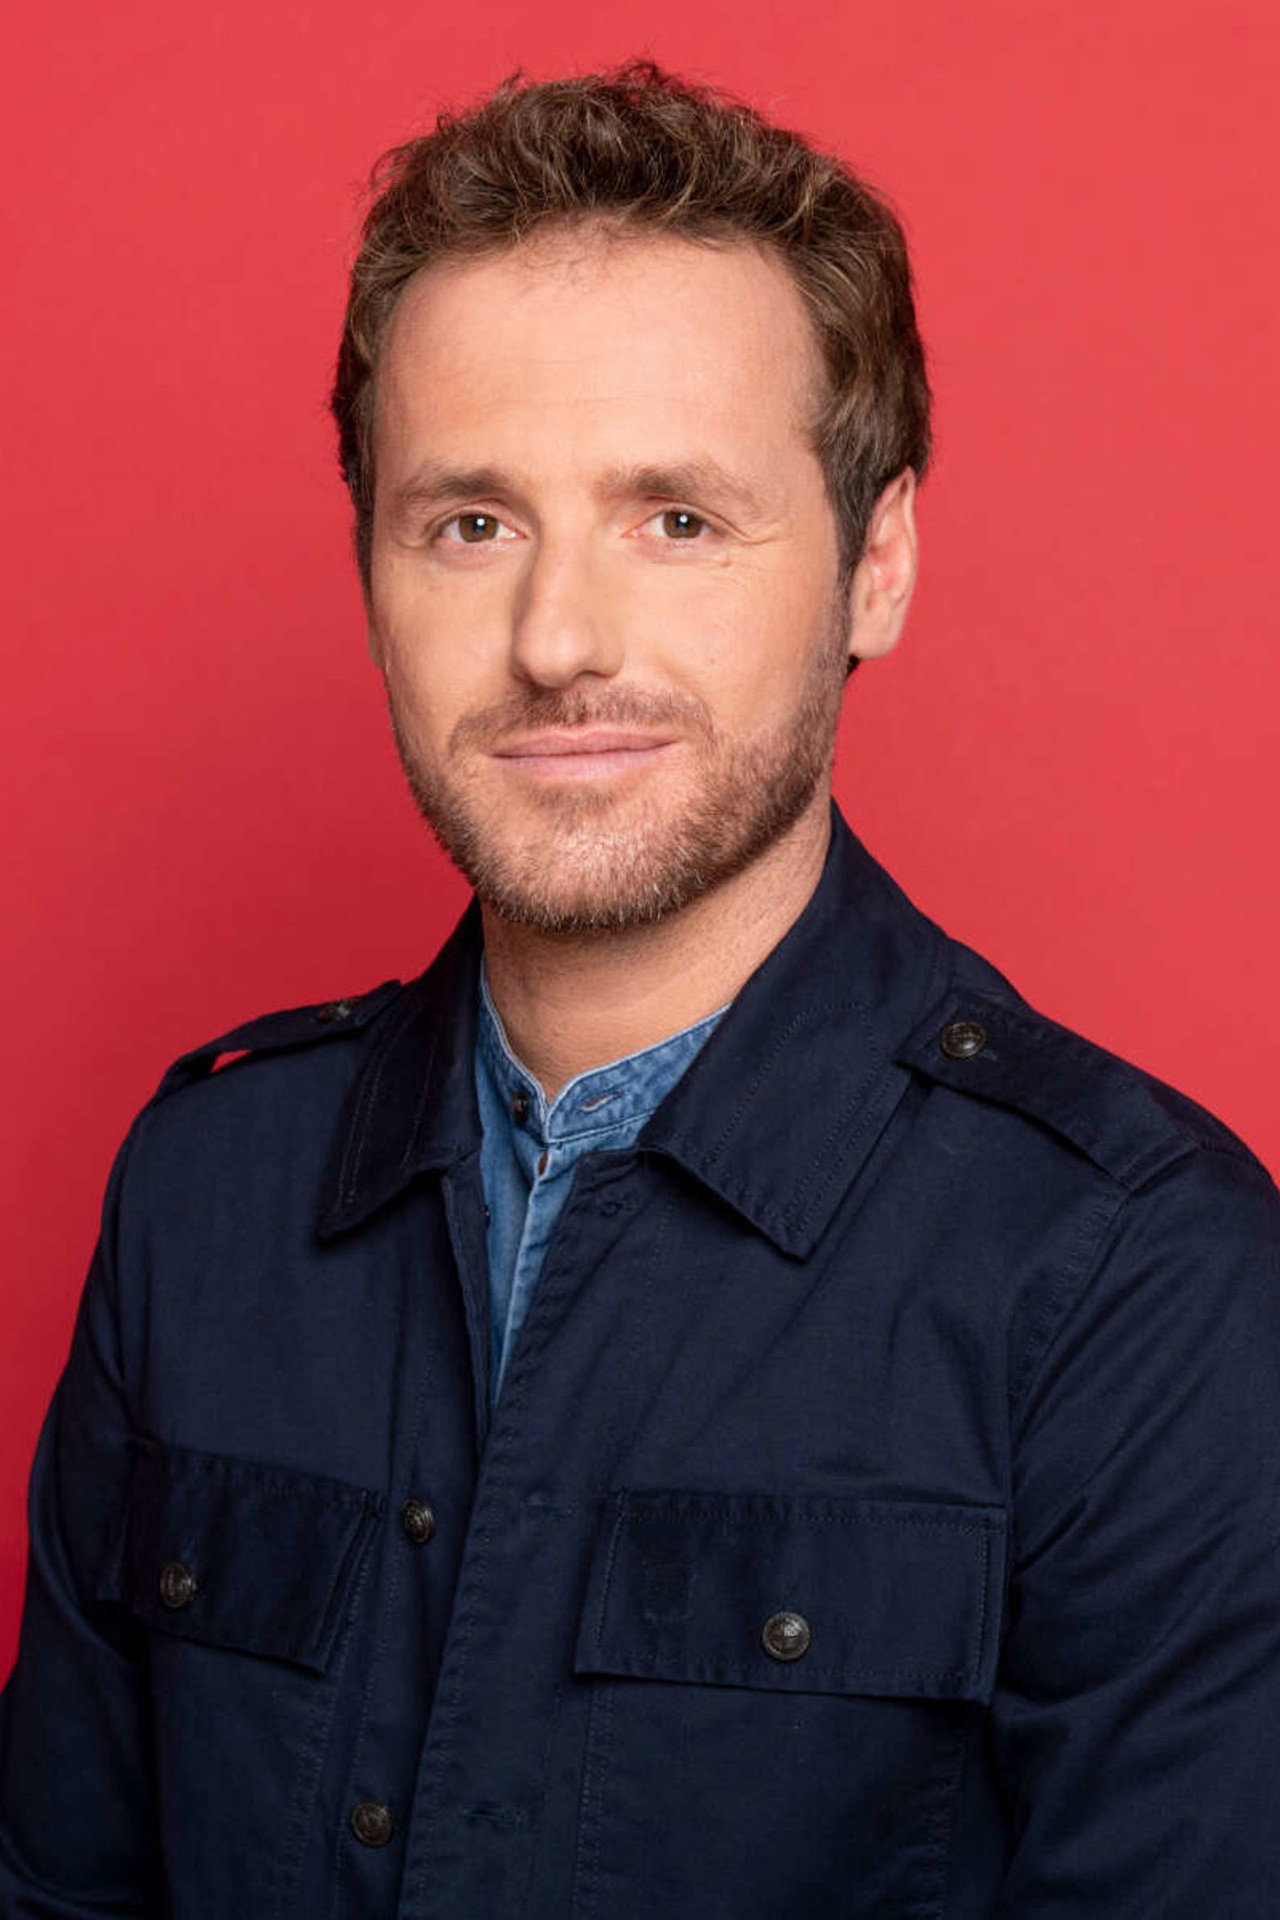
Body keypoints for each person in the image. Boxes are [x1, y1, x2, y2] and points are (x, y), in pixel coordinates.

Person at [2, 58, 1278, 1920]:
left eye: (676, 518)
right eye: (471, 522)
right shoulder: (205, 1192)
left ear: (876, 566)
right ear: (367, 567)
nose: (557, 639)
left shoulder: (1138, 1279)